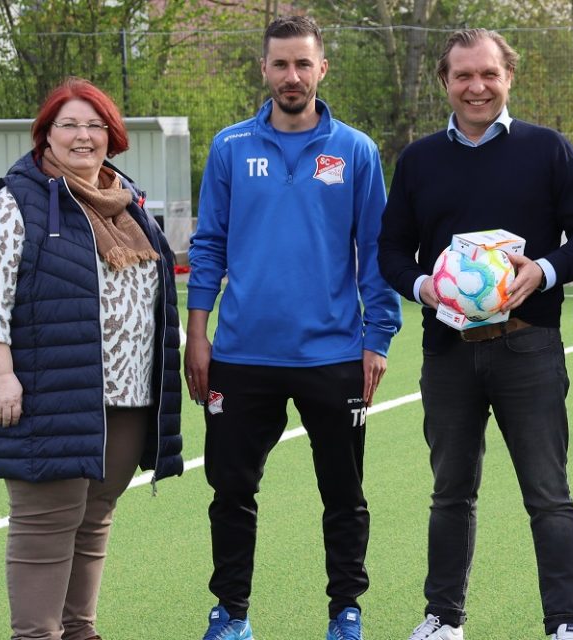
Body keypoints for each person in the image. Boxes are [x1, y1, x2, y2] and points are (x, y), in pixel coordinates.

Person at [377, 28, 573, 640]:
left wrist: (546, 268)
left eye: (488, 74)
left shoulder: (548, 151)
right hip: (448, 352)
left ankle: (565, 624)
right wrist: (424, 286)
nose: (476, 86)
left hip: (528, 346)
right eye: (462, 76)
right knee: (451, 492)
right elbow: (391, 250)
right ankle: (443, 619)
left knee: (548, 494)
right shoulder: (420, 160)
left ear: (509, 76)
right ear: (446, 83)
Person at [184, 15, 402, 640]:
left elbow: (375, 253)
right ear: (264, 69)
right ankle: (231, 614)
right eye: (280, 64)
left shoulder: (355, 151)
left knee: (344, 495)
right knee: (231, 493)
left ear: (322, 69)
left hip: (332, 355)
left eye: (303, 63)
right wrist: (198, 335)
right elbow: (208, 247)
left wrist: (376, 339)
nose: (292, 75)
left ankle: (346, 613)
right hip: (242, 354)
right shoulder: (229, 147)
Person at [0, 77, 184, 640]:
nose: (84, 136)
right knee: (45, 527)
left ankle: (80, 631)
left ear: (112, 135)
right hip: (50, 392)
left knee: (94, 520)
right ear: (47, 134)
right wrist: (0, 375)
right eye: (70, 125)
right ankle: (36, 635)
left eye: (95, 125)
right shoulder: (18, 199)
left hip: (128, 396)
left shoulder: (126, 199)